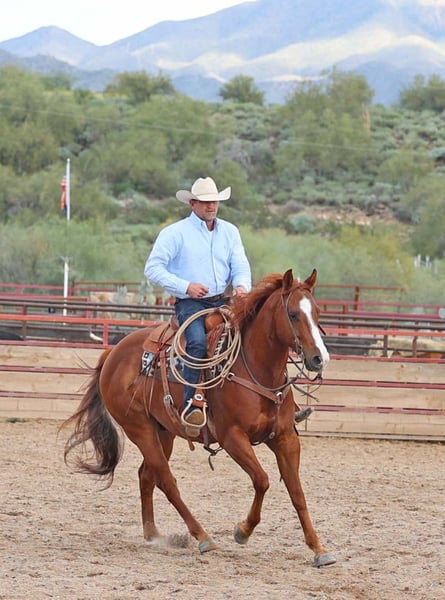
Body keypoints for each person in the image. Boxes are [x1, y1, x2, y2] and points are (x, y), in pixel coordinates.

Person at [144, 176, 252, 435]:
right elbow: (153, 268)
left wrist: (241, 286)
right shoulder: (175, 233)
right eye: (204, 202)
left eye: (214, 201)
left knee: (256, 335)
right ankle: (191, 404)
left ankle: (273, 401)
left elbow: (240, 264)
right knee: (197, 343)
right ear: (192, 203)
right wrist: (186, 286)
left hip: (222, 300)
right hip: (190, 303)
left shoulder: (230, 231)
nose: (211, 206)